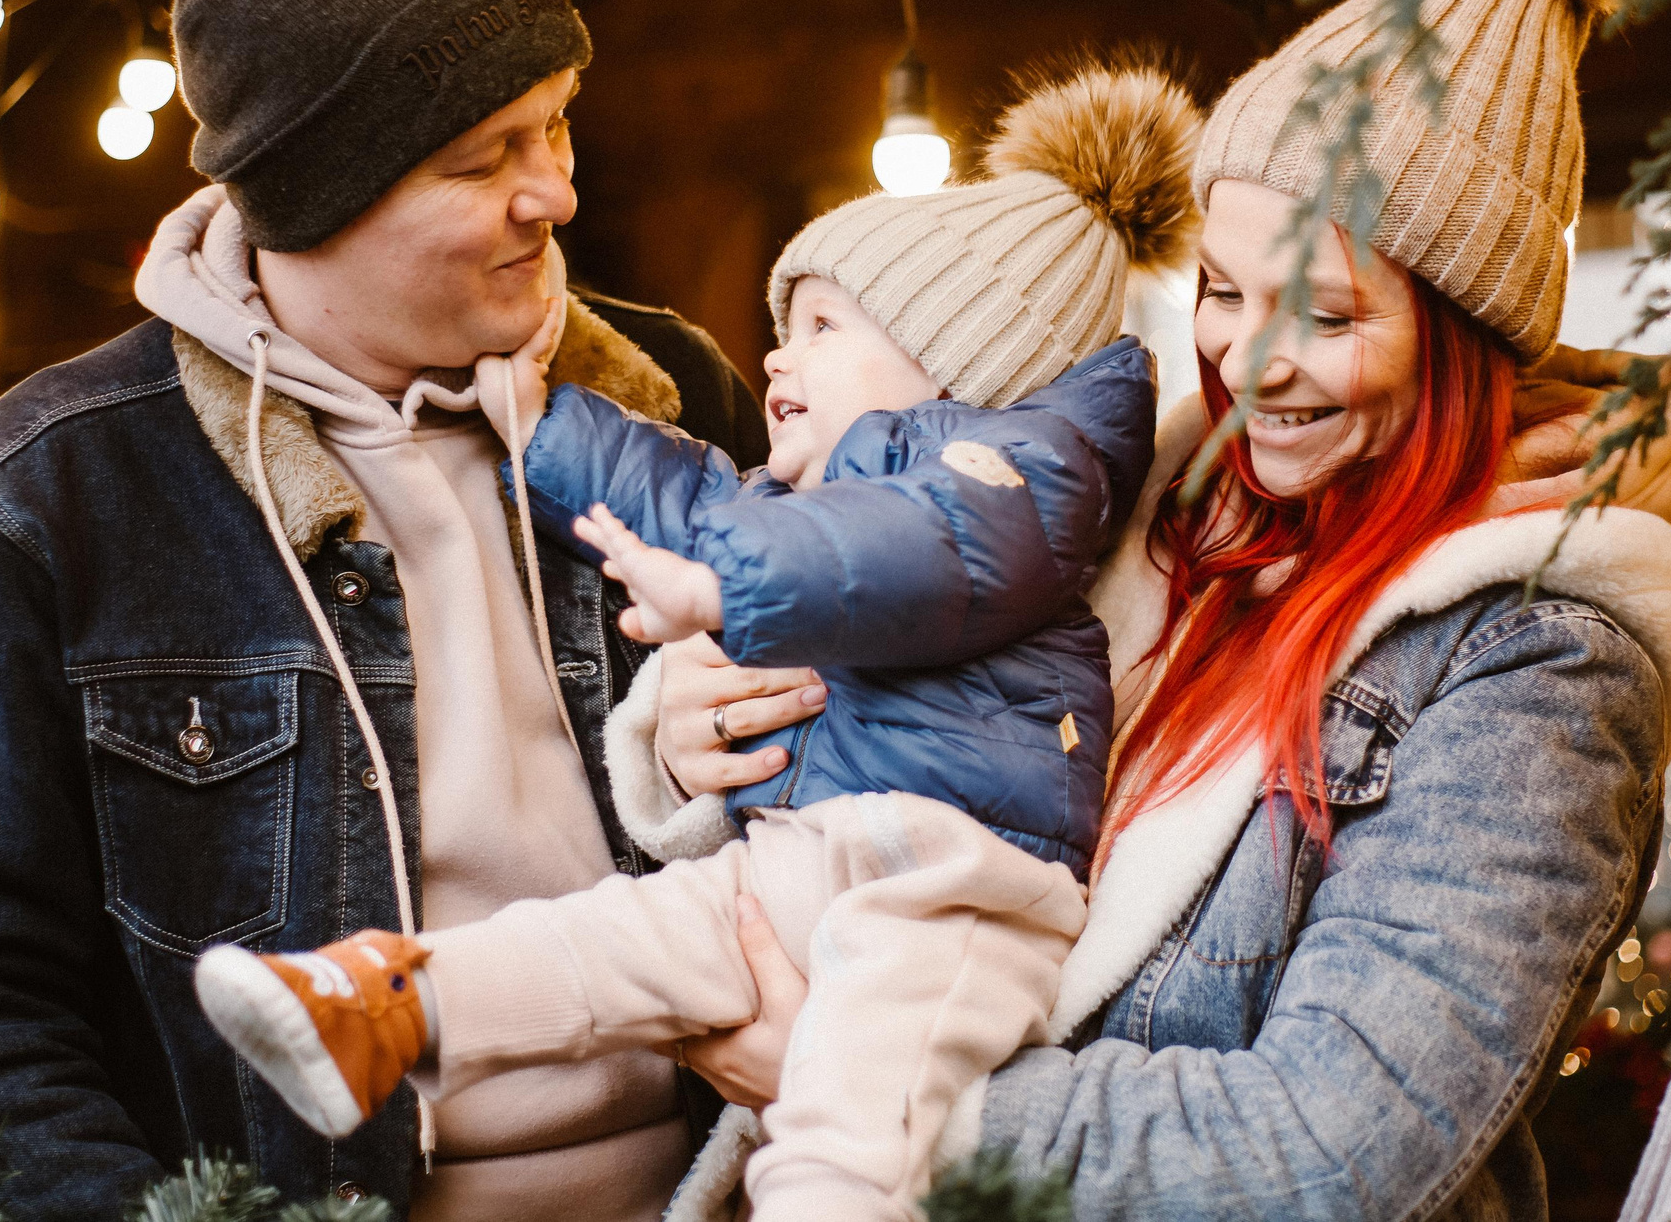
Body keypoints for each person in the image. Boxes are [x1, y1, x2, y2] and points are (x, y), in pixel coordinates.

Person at [623, 0, 1671, 1220]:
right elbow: (897, 722)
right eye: (1217, 286)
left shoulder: (1540, 666)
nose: (1247, 359)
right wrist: (695, 728)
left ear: (1465, 336)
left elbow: (1324, 1154)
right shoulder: (1147, 507)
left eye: (1324, 313)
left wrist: (882, 1094)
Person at [0, 0, 767, 1222]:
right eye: (483, 156)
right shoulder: (48, 494)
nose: (550, 190)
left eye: (557, 127)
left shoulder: (674, 400)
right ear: (318, 198)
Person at [193, 66, 1203, 1222]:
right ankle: (380, 1011)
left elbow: (900, 551)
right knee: (611, 942)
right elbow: (683, 500)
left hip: (960, 886)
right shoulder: (805, 495)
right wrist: (548, 422)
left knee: (862, 1106)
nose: (776, 359)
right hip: (810, 856)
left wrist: (725, 590)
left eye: (822, 329)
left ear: (951, 365)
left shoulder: (1017, 486)